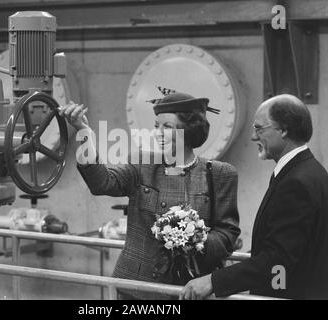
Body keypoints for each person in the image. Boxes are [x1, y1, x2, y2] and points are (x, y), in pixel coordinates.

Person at [60, 92, 240, 299]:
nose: (158, 134)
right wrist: (84, 132)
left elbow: (227, 234)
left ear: (189, 130)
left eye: (168, 127)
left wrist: (194, 241)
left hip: (190, 290)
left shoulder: (220, 174)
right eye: (157, 126)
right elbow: (102, 183)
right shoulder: (142, 165)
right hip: (136, 290)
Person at [180, 94, 328, 300]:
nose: (253, 137)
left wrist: (213, 281)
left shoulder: (296, 182)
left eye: (259, 128)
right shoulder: (311, 171)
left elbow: (278, 259)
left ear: (284, 129)